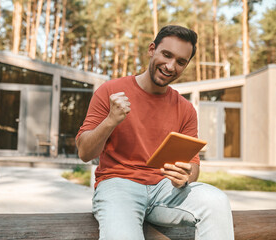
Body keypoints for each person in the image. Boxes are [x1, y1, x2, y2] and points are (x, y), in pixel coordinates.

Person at [76, 25, 234, 240]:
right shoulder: (110, 91)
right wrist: (110, 121)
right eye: (166, 55)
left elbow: (193, 165)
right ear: (152, 49)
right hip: (118, 185)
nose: (170, 66)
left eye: (180, 62)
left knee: (216, 200)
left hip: (164, 190)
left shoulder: (185, 108)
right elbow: (85, 152)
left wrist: (185, 177)